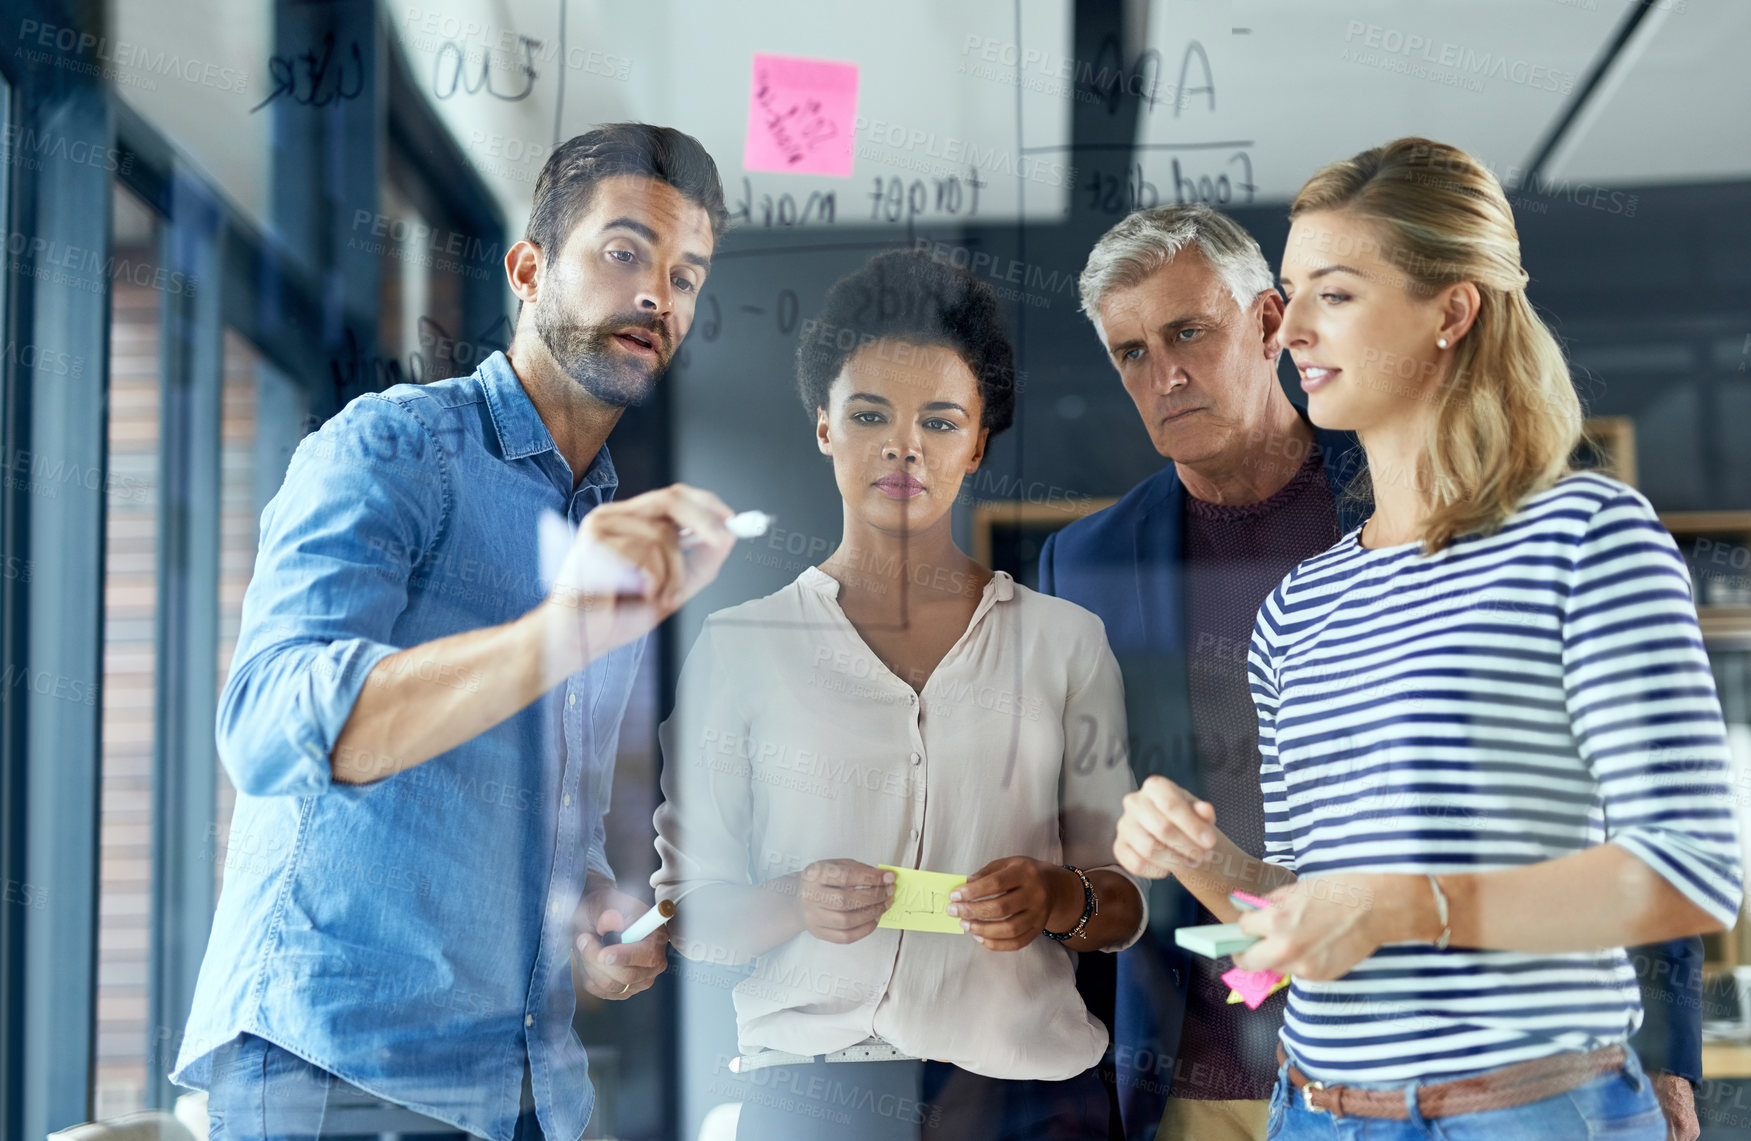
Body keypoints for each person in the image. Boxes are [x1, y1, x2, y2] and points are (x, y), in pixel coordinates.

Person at [1113, 138, 1742, 1141]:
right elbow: (1318, 908)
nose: (1292, 328)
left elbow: (1690, 871)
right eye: (1287, 292)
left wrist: (1411, 908)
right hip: (1314, 1115)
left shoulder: (1581, 538)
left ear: (1451, 310)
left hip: (1526, 1112)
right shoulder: (1298, 609)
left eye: (1335, 294)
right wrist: (1203, 858)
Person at [172, 123, 738, 1141]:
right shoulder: (391, 445)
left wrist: (593, 925)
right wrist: (561, 630)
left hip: (523, 1092)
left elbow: (541, 823)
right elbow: (264, 727)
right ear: (527, 269)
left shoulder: (604, 528)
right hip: (334, 1072)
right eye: (623, 253)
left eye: (685, 274)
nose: (659, 295)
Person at [651, 250, 1146, 1140]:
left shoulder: (1065, 643)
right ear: (823, 428)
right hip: (811, 1099)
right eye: (869, 414)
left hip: (1027, 1101)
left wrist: (1053, 894)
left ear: (979, 441)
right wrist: (793, 902)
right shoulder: (738, 648)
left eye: (940, 420)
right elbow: (690, 909)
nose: (903, 446)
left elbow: (1123, 903)